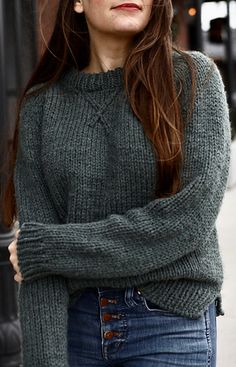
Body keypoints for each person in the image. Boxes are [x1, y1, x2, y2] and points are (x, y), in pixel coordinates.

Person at [5, 0, 231, 366]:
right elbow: (38, 275)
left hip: (169, 323)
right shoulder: (41, 107)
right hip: (74, 326)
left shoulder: (193, 80)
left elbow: (188, 219)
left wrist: (51, 249)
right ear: (77, 3)